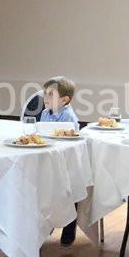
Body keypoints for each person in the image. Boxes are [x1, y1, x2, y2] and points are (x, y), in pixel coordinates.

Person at [38, 77, 80, 246]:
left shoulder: (68, 117)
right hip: (48, 160)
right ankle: (46, 224)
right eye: (45, 94)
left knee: (68, 195)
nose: (45, 98)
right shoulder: (44, 113)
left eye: (51, 94)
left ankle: (70, 228)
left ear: (64, 100)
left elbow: (69, 143)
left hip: (65, 163)